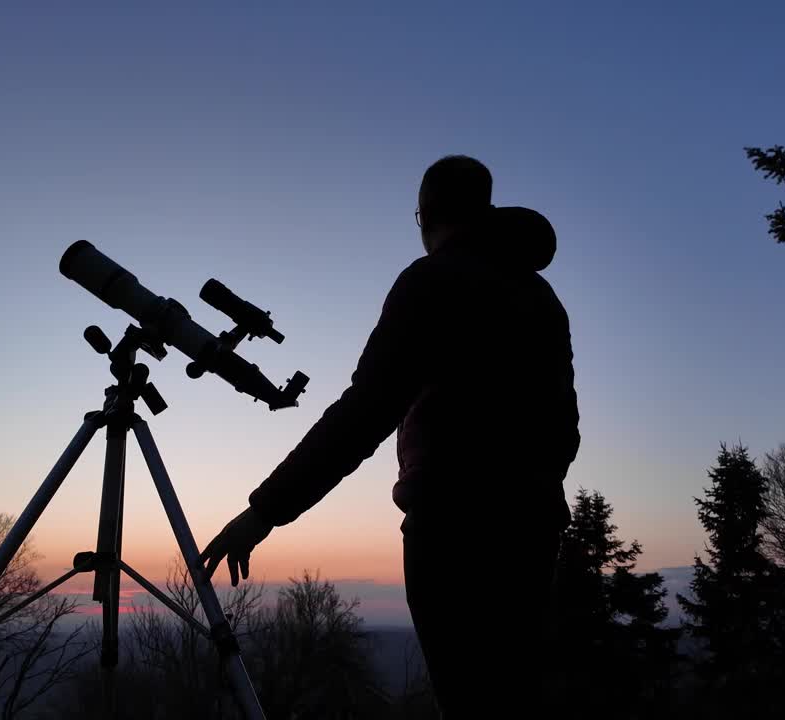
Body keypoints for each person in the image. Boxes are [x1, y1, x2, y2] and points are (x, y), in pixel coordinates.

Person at [200, 154, 580, 717]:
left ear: (425, 214)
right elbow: (564, 429)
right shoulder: (541, 297)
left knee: (468, 698)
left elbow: (366, 412)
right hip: (533, 526)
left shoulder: (431, 281)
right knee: (513, 696)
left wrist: (264, 511)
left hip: (452, 530)